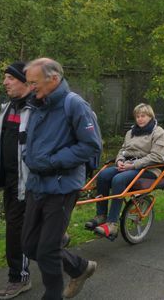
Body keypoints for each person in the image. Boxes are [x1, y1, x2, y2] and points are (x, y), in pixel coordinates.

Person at [21, 58, 101, 300]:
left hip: (61, 187)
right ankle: (79, 267)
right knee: (29, 245)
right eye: (28, 82)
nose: (30, 87)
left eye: (34, 82)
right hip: (37, 184)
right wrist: (29, 156)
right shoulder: (37, 104)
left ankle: (53, 295)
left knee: (46, 250)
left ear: (53, 79)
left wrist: (53, 161)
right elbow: (32, 141)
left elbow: (91, 145)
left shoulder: (74, 104)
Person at [86, 103, 164, 239]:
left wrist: (133, 165)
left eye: (143, 116)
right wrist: (119, 160)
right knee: (103, 175)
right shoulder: (131, 132)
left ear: (150, 117)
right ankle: (101, 215)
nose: (140, 119)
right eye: (137, 116)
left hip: (149, 169)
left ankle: (112, 224)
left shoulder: (158, 132)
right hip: (128, 165)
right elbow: (123, 150)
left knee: (119, 179)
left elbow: (157, 157)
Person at [0, 62, 33, 300]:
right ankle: (60, 244)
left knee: (17, 231)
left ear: (25, 81)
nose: (5, 82)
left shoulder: (37, 109)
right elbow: (1, 146)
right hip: (10, 182)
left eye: (10, 78)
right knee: (21, 229)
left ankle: (19, 278)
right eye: (4, 77)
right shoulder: (7, 108)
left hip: (28, 184)